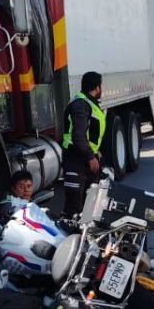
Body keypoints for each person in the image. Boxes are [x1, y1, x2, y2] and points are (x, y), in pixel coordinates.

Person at [61, 71, 104, 218]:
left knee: (90, 203)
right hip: (76, 160)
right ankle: (71, 238)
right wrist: (90, 157)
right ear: (97, 88)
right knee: (74, 208)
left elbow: (89, 134)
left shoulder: (87, 103)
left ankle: (86, 236)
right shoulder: (81, 105)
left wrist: (95, 152)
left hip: (83, 159)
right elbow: (78, 136)